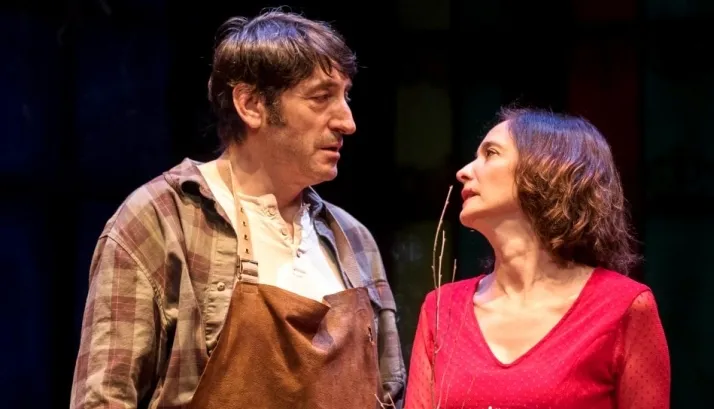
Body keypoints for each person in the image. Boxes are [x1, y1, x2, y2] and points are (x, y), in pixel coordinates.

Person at [70, 10, 405, 409]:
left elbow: (389, 394)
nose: (347, 122)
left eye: (345, 97)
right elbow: (104, 399)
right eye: (321, 98)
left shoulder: (353, 239)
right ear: (251, 104)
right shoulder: (162, 220)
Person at [403, 108, 670, 409]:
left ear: (546, 170)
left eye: (490, 153)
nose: (463, 171)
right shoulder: (442, 309)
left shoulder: (623, 306)